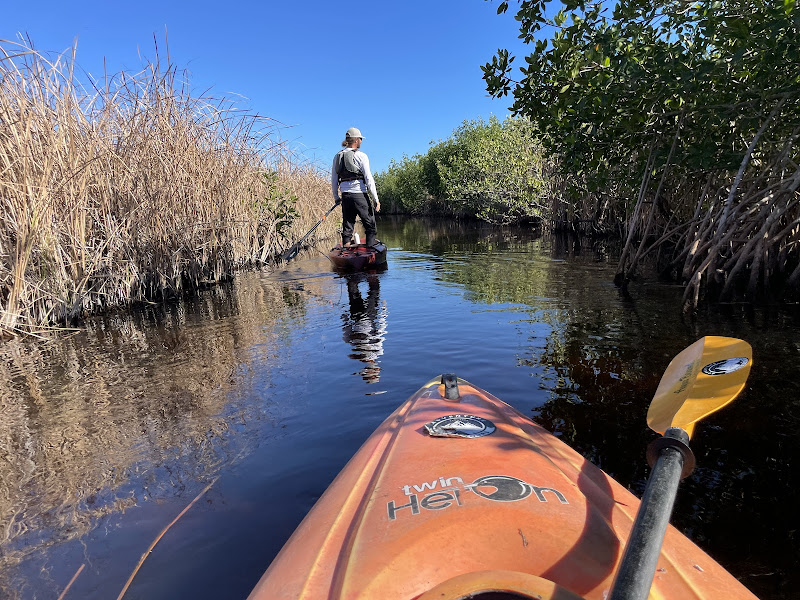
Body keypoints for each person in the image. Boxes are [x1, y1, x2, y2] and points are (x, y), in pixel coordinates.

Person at [331, 127, 381, 247]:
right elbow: (369, 178)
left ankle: (346, 251)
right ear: (356, 140)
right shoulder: (361, 156)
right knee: (370, 225)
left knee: (347, 226)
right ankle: (370, 252)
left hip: (345, 196)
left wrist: (336, 197)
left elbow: (333, 179)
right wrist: (376, 199)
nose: (361, 142)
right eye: (360, 139)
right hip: (359, 195)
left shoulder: (337, 157)